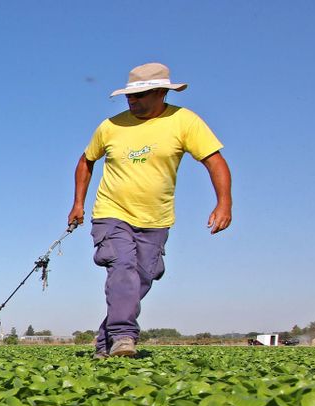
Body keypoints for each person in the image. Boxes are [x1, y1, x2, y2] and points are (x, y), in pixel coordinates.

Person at [67, 63, 232, 358]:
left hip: (156, 218)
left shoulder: (184, 122)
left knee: (141, 279)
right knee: (122, 267)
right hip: (111, 213)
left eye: (140, 95)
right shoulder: (110, 126)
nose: (133, 101)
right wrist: (78, 203)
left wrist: (224, 203)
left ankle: (106, 344)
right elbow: (86, 160)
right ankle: (124, 336)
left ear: (160, 93)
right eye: (130, 96)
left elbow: (214, 160)